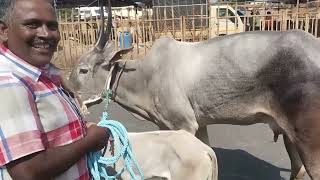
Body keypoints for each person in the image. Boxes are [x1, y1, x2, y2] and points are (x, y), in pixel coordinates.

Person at [0, 0, 110, 179]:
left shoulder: (41, 71)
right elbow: (27, 172)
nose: (45, 34)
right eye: (32, 24)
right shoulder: (10, 83)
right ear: (4, 31)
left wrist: (83, 128)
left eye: (52, 26)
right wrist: (89, 141)